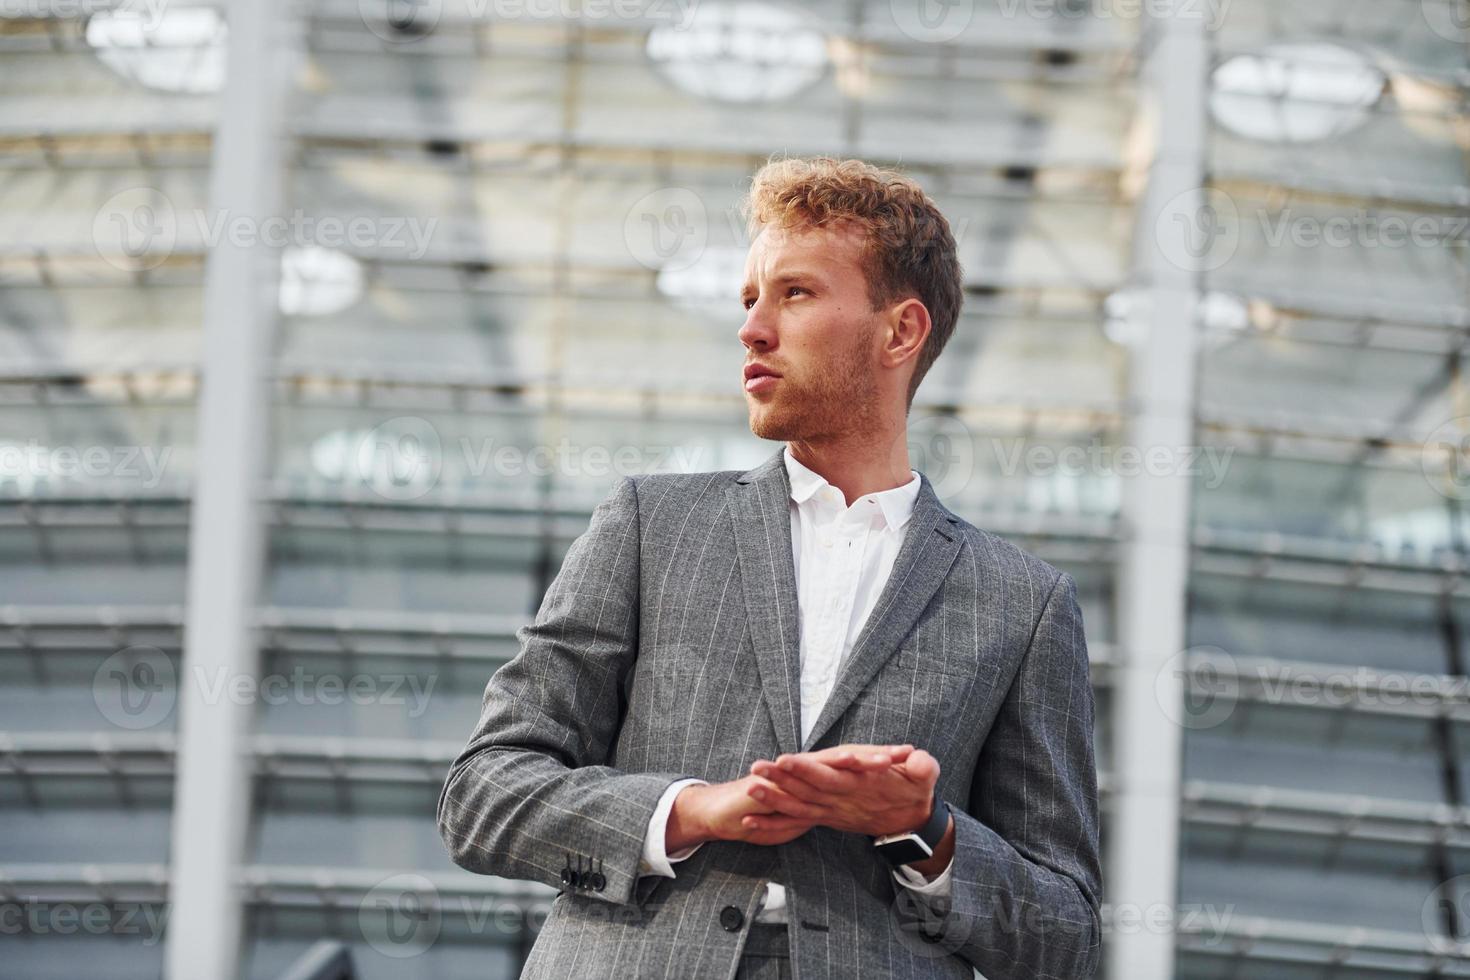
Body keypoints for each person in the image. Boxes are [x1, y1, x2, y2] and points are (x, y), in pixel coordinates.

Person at [437, 155, 1102, 979]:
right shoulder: (650, 525)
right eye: (750, 299)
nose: (753, 328)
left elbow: (1067, 934)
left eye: (795, 293)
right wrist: (692, 809)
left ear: (900, 331)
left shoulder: (1022, 604)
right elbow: (483, 793)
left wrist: (926, 831)